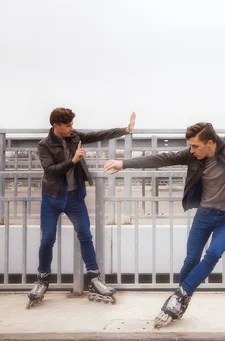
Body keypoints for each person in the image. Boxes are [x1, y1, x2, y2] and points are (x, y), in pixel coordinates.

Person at [103, 74, 225, 328]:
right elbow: (161, 158)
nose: (191, 150)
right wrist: (124, 163)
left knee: (213, 254)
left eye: (195, 146)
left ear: (210, 143)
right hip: (204, 215)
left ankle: (178, 297)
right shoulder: (193, 156)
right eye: (190, 146)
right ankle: (182, 299)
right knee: (191, 260)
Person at [27, 108, 136, 308]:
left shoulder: (74, 136)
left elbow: (99, 135)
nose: (72, 128)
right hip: (52, 197)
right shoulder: (44, 145)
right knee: (47, 238)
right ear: (56, 126)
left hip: (74, 197)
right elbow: (51, 171)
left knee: (85, 235)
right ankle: (42, 279)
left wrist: (125, 129)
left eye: (72, 124)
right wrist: (74, 160)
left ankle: (94, 278)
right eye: (68, 125)